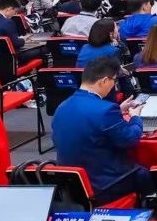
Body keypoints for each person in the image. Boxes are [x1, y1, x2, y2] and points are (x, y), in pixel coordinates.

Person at [51, 56, 151, 200]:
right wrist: (135, 117)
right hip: (105, 186)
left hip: (72, 185)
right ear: (104, 81)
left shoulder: (62, 106)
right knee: (148, 174)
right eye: (114, 81)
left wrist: (119, 109)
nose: (114, 85)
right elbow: (129, 139)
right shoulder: (106, 110)